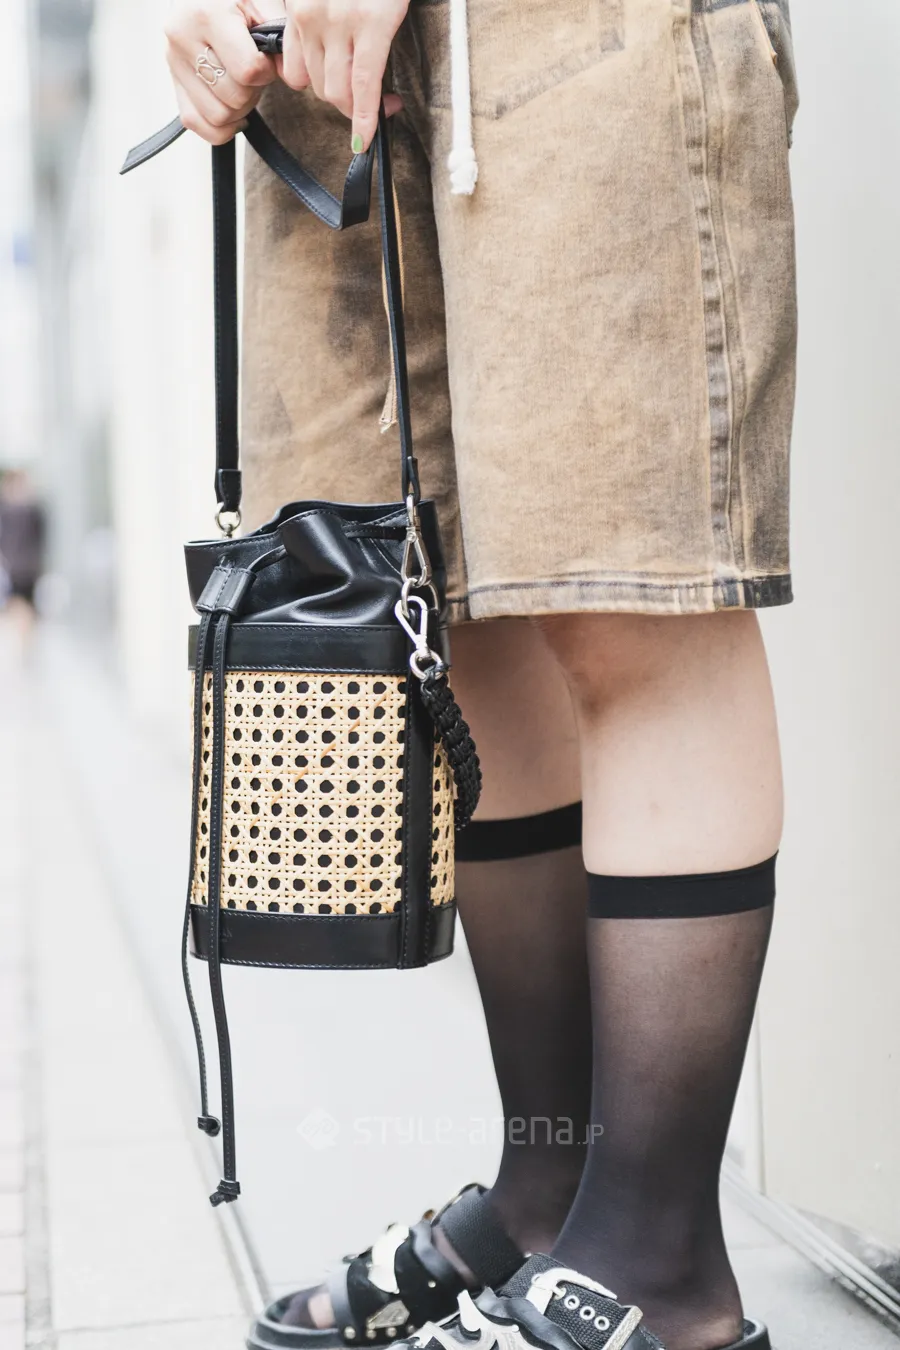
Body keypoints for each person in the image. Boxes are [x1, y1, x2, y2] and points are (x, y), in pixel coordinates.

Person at [162, 2, 798, 1348]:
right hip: (307, 68)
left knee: (628, 589)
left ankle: (660, 1261)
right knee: (442, 610)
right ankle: (549, 1197)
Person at [0, 469, 46, 643]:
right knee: (18, 603)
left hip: (25, 567)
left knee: (23, 604)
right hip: (17, 566)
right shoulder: (11, 510)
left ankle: (24, 638)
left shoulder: (32, 510)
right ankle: (23, 638)